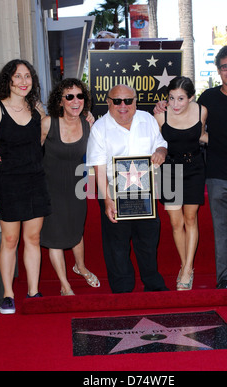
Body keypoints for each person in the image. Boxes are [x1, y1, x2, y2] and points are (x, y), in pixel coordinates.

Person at [155, 45, 227, 289]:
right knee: (220, 229)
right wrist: (164, 108)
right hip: (211, 174)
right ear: (218, 70)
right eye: (224, 66)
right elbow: (176, 122)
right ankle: (223, 277)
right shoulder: (207, 99)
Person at [0, 59, 51, 314]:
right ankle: (9, 295)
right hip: (8, 183)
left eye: (28, 77)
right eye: (18, 76)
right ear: (8, 80)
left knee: (32, 238)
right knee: (10, 240)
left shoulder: (36, 110)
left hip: (35, 181)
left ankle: (33, 292)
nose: (23, 81)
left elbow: (47, 137)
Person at [86, 84, 169, 293]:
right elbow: (99, 166)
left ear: (135, 101)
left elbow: (161, 143)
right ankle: (122, 290)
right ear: (108, 102)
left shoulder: (147, 119)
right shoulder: (99, 128)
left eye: (128, 100)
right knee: (116, 245)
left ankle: (153, 285)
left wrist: (160, 151)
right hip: (113, 192)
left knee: (148, 241)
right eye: (117, 101)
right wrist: (106, 200)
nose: (123, 105)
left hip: (145, 191)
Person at [40, 78, 100, 295]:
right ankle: (65, 284)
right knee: (55, 235)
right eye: (70, 96)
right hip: (49, 188)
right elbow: (28, 152)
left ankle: (80, 267)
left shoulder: (88, 124)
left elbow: (101, 152)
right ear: (60, 101)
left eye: (80, 96)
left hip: (76, 188)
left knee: (76, 230)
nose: (76, 101)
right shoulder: (48, 123)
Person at [154, 76, 208, 291]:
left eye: (181, 99)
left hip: (194, 167)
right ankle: (184, 265)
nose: (175, 104)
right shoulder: (160, 114)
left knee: (191, 218)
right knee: (176, 223)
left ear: (191, 98)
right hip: (169, 170)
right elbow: (156, 142)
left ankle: (187, 269)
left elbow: (201, 135)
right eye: (172, 98)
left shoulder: (201, 111)